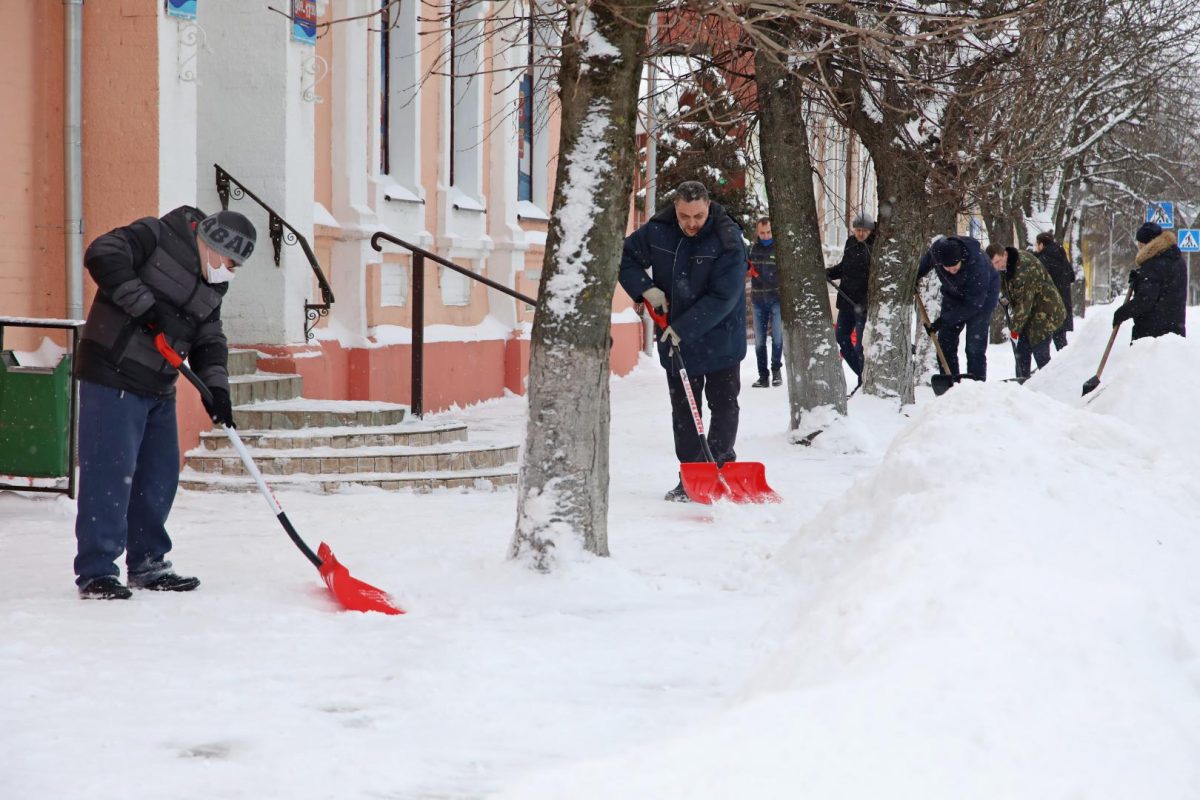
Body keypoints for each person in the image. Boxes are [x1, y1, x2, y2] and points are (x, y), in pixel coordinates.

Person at [74, 207, 257, 599]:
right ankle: (96, 571)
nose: (232, 272)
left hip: (158, 384)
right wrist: (144, 306)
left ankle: (148, 563)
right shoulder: (156, 236)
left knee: (158, 477)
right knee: (110, 474)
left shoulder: (212, 286)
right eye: (231, 262)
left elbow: (209, 339)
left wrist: (217, 390)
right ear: (212, 246)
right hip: (112, 371)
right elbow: (102, 253)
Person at [619, 181, 747, 502]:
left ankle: (719, 465)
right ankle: (692, 473)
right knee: (685, 412)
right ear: (675, 209)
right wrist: (646, 288)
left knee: (723, 404)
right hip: (673, 337)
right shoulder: (659, 231)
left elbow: (724, 296)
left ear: (708, 207)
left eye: (698, 216)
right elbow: (624, 256)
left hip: (719, 337)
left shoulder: (728, 238)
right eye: (685, 216)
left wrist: (683, 327)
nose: (692, 223)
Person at [918, 234, 1000, 380]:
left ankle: (976, 385)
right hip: (953, 295)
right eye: (946, 268)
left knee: (974, 346)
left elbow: (974, 305)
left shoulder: (978, 264)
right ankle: (951, 382)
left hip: (983, 298)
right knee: (945, 342)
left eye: (954, 267)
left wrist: (944, 320)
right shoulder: (937, 252)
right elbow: (924, 265)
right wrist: (915, 277)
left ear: (961, 259)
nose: (950, 271)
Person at [985, 243, 1065, 380]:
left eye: (999, 261)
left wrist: (1015, 330)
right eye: (994, 264)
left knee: (1041, 354)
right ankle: (1022, 386)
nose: (998, 266)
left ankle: (1050, 387)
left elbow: (1024, 303)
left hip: (1045, 313)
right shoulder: (1006, 267)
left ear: (1005, 254)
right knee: (1021, 354)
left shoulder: (1023, 266)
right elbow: (1011, 292)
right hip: (1028, 315)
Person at [1112, 222, 1186, 340]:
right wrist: (1139, 278)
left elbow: (1145, 299)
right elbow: (1164, 289)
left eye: (1140, 244)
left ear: (1147, 244)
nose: (1139, 247)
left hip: (1152, 333)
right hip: (1174, 330)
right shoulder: (1177, 261)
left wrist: (1122, 313)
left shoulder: (1153, 264)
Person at [826, 212, 875, 385]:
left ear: (870, 231)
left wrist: (866, 301)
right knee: (841, 337)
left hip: (863, 304)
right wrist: (829, 272)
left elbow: (875, 278)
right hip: (847, 301)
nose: (860, 234)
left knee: (860, 346)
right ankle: (861, 375)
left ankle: (865, 379)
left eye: (864, 230)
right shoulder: (850, 243)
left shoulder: (874, 246)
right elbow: (844, 267)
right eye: (857, 230)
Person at [747, 216, 783, 387]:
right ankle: (763, 376)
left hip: (776, 299)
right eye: (762, 233)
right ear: (757, 232)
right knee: (760, 341)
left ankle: (776, 370)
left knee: (777, 337)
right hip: (758, 300)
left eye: (768, 232)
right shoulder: (752, 250)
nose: (766, 236)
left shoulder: (779, 249)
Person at [1034, 232, 1075, 350]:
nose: (1036, 247)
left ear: (1041, 244)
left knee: (1043, 344)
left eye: (1037, 244)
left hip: (1050, 305)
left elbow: (1039, 281)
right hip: (1064, 302)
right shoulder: (1061, 255)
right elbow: (1072, 276)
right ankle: (1064, 364)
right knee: (1060, 340)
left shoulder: (1044, 259)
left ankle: (1049, 368)